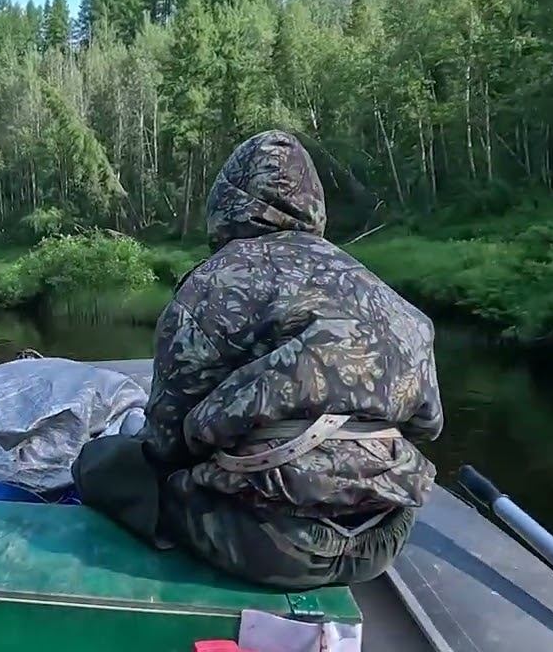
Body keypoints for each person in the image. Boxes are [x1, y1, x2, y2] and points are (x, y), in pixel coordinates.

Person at [74, 130, 443, 590]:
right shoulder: (379, 291)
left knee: (103, 464)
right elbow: (427, 426)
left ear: (228, 201)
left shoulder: (215, 281)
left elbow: (166, 442)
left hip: (270, 543)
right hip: (385, 539)